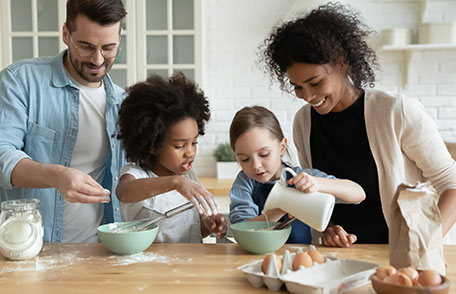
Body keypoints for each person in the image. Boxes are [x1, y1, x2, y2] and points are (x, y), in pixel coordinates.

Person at [260, 3, 456, 247]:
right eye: (298, 87)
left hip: (404, 255)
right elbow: (319, 193)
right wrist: (329, 229)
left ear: (342, 63)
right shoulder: (304, 122)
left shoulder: (396, 112)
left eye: (315, 83)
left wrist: (427, 242)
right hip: (343, 257)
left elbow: (451, 183)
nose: (308, 96)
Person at [0, 0, 127, 243]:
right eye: (86, 46)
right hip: (30, 249)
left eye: (109, 48)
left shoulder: (122, 104)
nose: (98, 60)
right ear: (66, 34)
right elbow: (2, 153)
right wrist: (57, 176)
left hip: (98, 251)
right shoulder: (20, 82)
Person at [228, 106, 365, 244]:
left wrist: (319, 184)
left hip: (299, 256)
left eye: (264, 154)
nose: (256, 165)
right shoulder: (245, 183)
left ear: (282, 147)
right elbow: (243, 228)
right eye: (245, 159)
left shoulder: (301, 178)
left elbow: (358, 194)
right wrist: (283, 207)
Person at [116, 73, 227, 243]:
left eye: (194, 143)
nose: (190, 152)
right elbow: (124, 192)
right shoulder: (137, 175)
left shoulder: (189, 177)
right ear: (153, 145)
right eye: (180, 146)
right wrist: (174, 182)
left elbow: (191, 230)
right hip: (151, 269)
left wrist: (208, 225)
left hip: (188, 266)